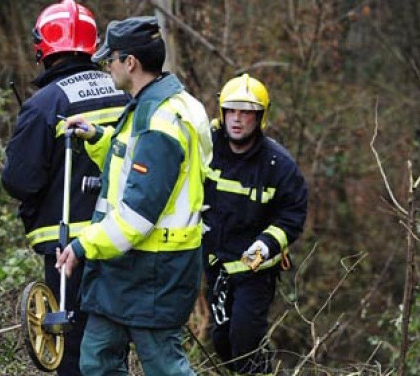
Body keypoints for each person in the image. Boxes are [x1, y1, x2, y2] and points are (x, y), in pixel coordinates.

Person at [56, 16, 210, 375]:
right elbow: (132, 161)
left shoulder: (161, 121)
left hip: (155, 269)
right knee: (96, 360)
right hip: (125, 267)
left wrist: (81, 247)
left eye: (110, 59)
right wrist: (97, 138)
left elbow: (137, 215)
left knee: (163, 367)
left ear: (131, 63)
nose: (106, 66)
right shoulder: (152, 106)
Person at [0, 1, 129, 374]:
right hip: (120, 236)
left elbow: (20, 181)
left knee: (69, 342)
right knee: (111, 339)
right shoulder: (125, 91)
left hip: (65, 246)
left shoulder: (45, 103)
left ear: (44, 48)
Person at [202, 73, 308, 373]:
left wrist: (265, 245)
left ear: (260, 117)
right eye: (231, 111)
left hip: (255, 271)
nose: (237, 119)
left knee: (245, 341)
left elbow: (292, 214)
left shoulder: (277, 164)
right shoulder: (207, 150)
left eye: (246, 112)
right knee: (222, 342)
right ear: (222, 113)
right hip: (216, 267)